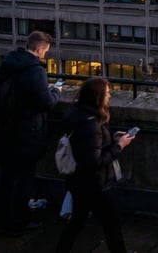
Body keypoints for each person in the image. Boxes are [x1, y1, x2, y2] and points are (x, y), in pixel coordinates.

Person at [0, 30, 61, 237]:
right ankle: (19, 221)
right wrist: (55, 92)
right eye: (45, 52)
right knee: (23, 180)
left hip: (3, 131)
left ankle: (4, 220)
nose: (45, 55)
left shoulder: (9, 62)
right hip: (24, 135)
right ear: (39, 50)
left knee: (6, 179)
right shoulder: (34, 70)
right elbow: (45, 103)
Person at [55, 77, 134, 253]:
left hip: (80, 181)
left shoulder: (80, 114)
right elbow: (94, 162)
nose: (110, 96)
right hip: (95, 184)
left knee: (77, 221)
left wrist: (112, 140)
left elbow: (91, 149)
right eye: (107, 93)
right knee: (112, 222)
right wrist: (119, 146)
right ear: (97, 97)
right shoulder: (91, 125)